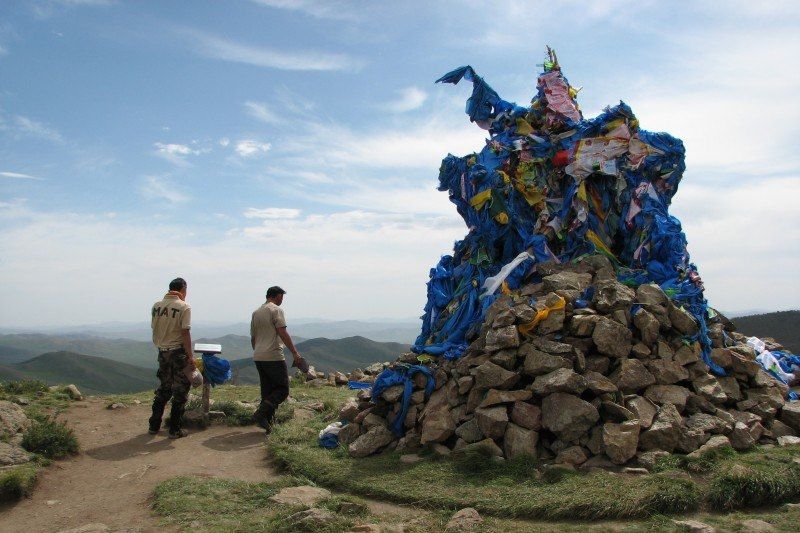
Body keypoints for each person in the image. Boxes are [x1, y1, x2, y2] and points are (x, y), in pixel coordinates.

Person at [250, 285, 303, 432]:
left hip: (259, 356)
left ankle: (268, 424)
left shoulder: (256, 312)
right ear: (277, 296)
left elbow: (253, 337)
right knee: (282, 389)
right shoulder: (276, 310)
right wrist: (295, 352)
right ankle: (260, 414)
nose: (282, 300)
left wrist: (258, 352)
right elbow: (282, 332)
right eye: (282, 296)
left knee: (267, 391)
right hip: (273, 355)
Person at [149, 277, 195, 439]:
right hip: (177, 353)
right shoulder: (184, 307)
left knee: (164, 387)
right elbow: (185, 332)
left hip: (162, 352)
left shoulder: (156, 306)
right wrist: (190, 356)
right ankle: (175, 429)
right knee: (181, 390)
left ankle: (154, 424)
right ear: (183, 289)